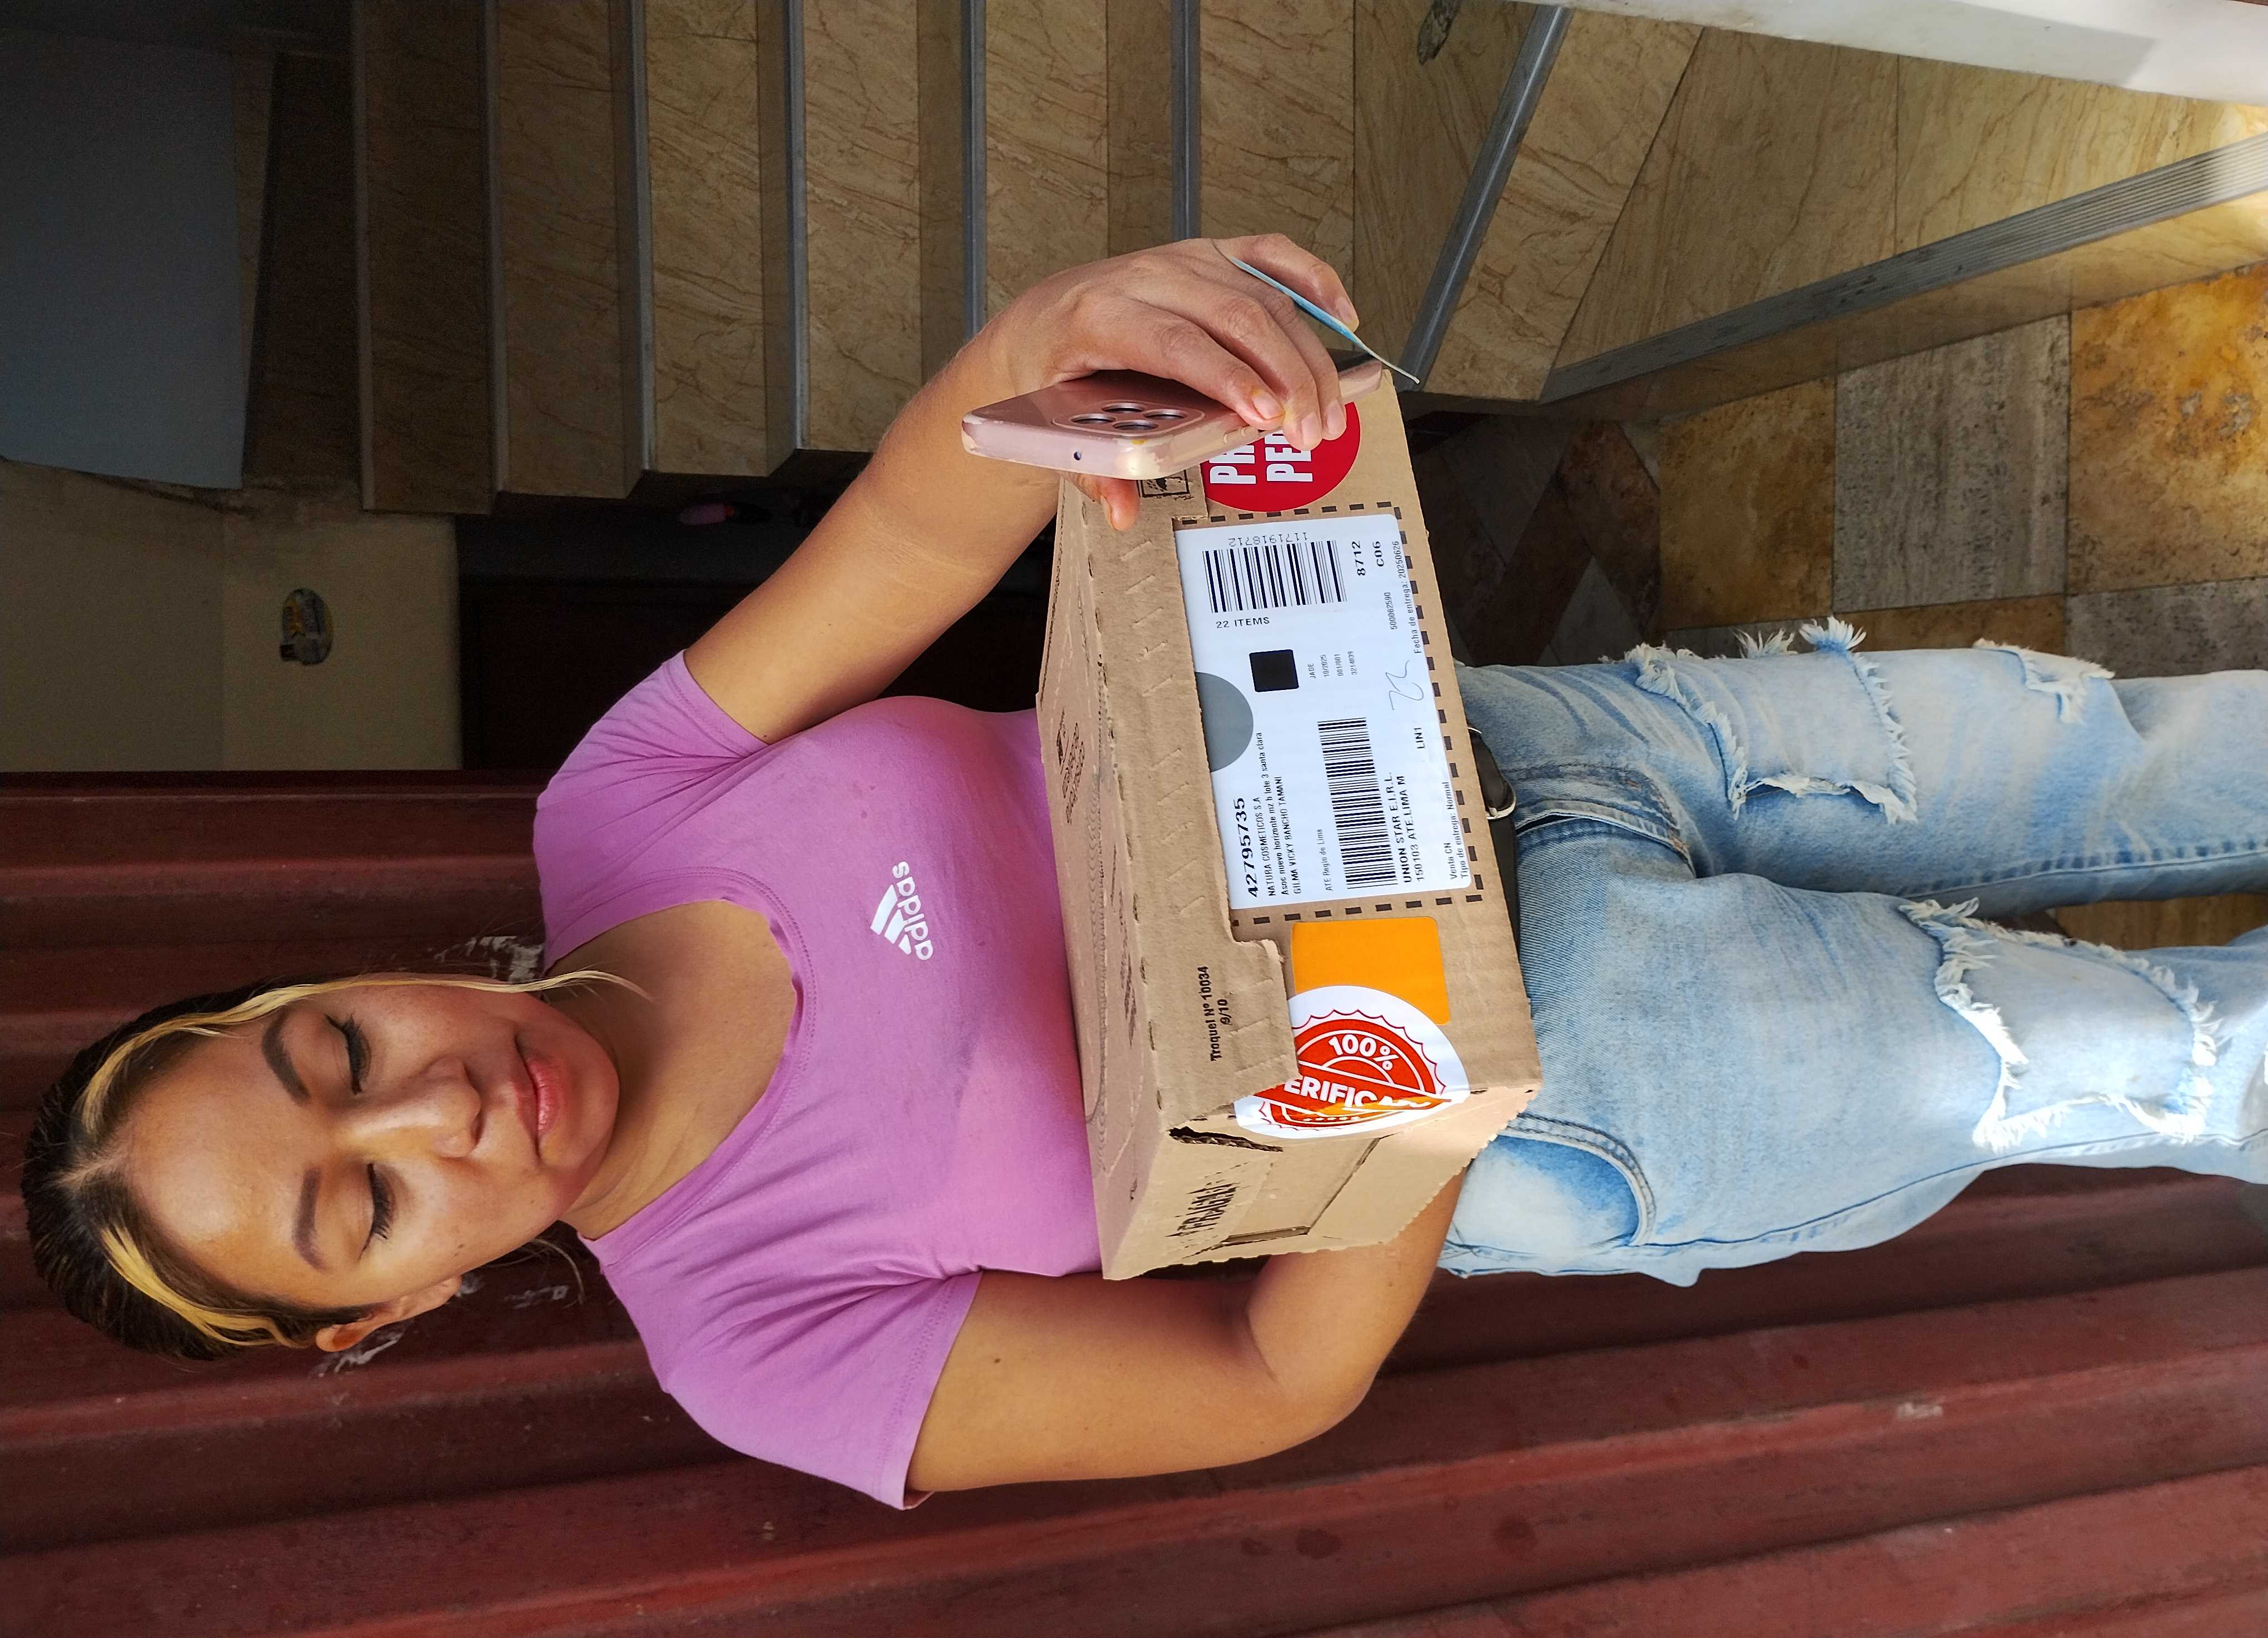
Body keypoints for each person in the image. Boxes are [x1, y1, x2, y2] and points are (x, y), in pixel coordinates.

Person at [23, 237, 2268, 1509]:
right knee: (2176, 1056)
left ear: (345, 982)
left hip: (1509, 742)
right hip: (1570, 1074)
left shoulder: (617, 812)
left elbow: (918, 527)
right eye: (362, 1209)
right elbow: (1261, 1380)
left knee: (2120, 748)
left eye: (337, 1054)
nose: (428, 1108)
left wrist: (1044, 353)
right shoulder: (751, 1350)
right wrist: (1395, 1067)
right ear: (393, 1312)